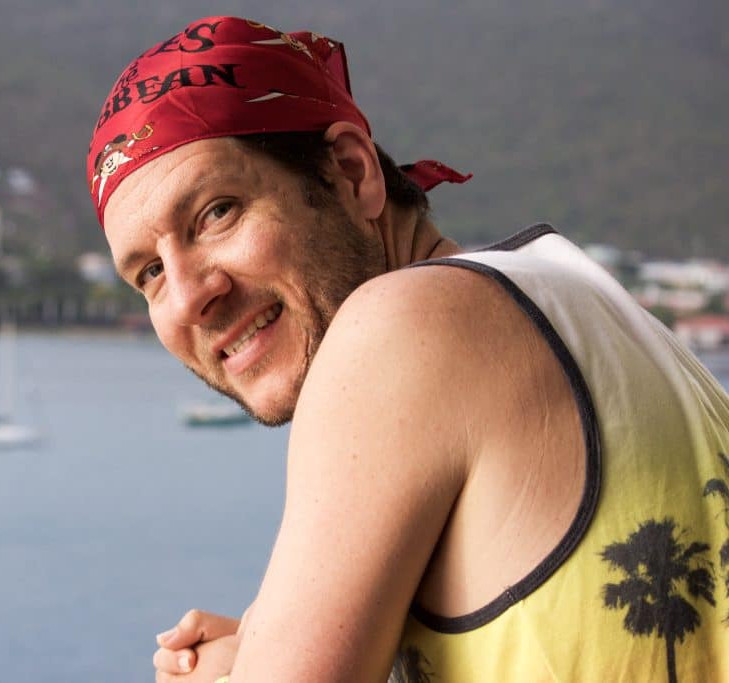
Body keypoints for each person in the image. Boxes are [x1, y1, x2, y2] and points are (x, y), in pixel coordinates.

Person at [87, 16, 729, 682]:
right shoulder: (579, 300)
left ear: (350, 171)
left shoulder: (400, 326)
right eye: (150, 272)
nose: (190, 296)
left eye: (216, 213)